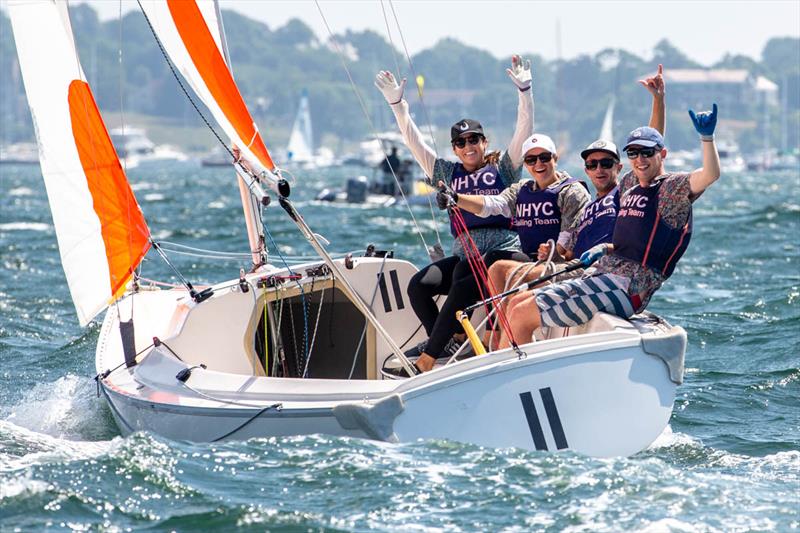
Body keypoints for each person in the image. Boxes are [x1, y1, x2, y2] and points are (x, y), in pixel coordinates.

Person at [498, 105, 721, 349]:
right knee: (517, 302)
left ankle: (518, 380)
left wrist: (706, 138)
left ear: (662, 154)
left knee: (521, 315)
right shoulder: (630, 186)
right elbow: (637, 236)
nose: (640, 159)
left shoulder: (671, 189)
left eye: (647, 152)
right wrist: (605, 247)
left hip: (628, 286)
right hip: (603, 274)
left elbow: (709, 175)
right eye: (633, 153)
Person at [374, 55, 534, 375]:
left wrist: (524, 91)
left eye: (473, 139)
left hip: (502, 255)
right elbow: (413, 142)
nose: (468, 145)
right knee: (419, 285)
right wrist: (397, 104)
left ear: (483, 142)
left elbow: (524, 131)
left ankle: (428, 358)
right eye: (461, 142)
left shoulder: (502, 169)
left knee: (462, 279)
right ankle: (450, 341)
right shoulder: (446, 172)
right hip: (466, 259)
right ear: (455, 148)